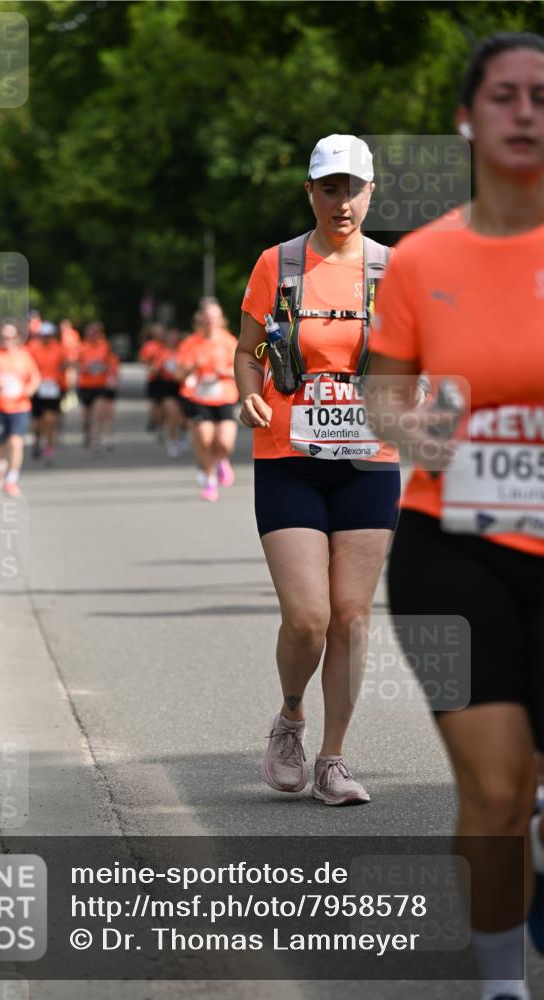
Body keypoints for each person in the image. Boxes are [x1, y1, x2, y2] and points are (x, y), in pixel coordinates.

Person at [365, 32, 544, 1000]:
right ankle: (500, 984)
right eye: (504, 96)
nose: (524, 112)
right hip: (448, 546)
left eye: (541, 97)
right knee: (493, 788)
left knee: (528, 789)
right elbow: (381, 399)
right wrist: (441, 448)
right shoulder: (420, 257)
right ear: (466, 121)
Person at [235, 134, 400, 803]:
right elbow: (247, 350)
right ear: (309, 191)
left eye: (352, 188)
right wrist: (245, 388)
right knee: (307, 616)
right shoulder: (276, 264)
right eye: (328, 188)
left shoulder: (394, 271)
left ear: (370, 192)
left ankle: (333, 760)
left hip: (367, 462)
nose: (341, 201)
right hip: (288, 457)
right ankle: (291, 716)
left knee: (351, 618)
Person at [177, 298, 239, 501]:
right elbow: (179, 374)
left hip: (225, 396)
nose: (211, 321)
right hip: (199, 397)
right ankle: (210, 479)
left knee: (225, 441)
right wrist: (190, 369)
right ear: (200, 319)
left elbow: (241, 369)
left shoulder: (229, 341)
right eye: (207, 317)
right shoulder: (190, 344)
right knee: (204, 438)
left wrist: (225, 372)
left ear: (221, 319)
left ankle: (222, 460)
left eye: (215, 317)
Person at [0, 320, 40, 497]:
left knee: (15, 442)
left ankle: (11, 480)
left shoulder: (24, 355)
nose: (7, 340)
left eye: (10, 337)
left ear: (17, 338)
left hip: (19, 406)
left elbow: (35, 377)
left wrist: (29, 390)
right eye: (3, 337)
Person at [27, 321, 68, 463]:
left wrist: (64, 386)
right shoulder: (32, 348)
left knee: (50, 420)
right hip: (37, 388)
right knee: (37, 421)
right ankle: (37, 440)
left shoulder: (59, 349)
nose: (45, 338)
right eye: (43, 335)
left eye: (48, 335)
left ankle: (49, 447)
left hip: (53, 388)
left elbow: (64, 367)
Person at [77, 321, 119, 451]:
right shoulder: (81, 347)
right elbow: (75, 365)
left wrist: (110, 374)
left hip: (100, 384)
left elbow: (111, 362)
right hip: (85, 384)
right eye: (91, 333)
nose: (93, 335)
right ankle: (87, 431)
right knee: (87, 414)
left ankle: (95, 438)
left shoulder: (104, 346)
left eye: (96, 333)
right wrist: (86, 368)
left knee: (99, 411)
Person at [148, 328, 185, 458]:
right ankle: (172, 441)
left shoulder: (184, 351)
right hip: (166, 386)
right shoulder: (161, 352)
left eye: (175, 337)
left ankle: (180, 435)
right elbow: (152, 371)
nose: (172, 340)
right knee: (171, 413)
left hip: (182, 386)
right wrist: (158, 368)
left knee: (182, 417)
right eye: (170, 337)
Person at [138, 323, 166, 433]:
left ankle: (159, 422)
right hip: (154, 378)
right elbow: (144, 360)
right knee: (154, 403)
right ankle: (155, 421)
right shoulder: (149, 346)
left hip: (166, 377)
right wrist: (152, 368)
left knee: (164, 404)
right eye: (157, 332)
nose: (160, 334)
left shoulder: (165, 345)